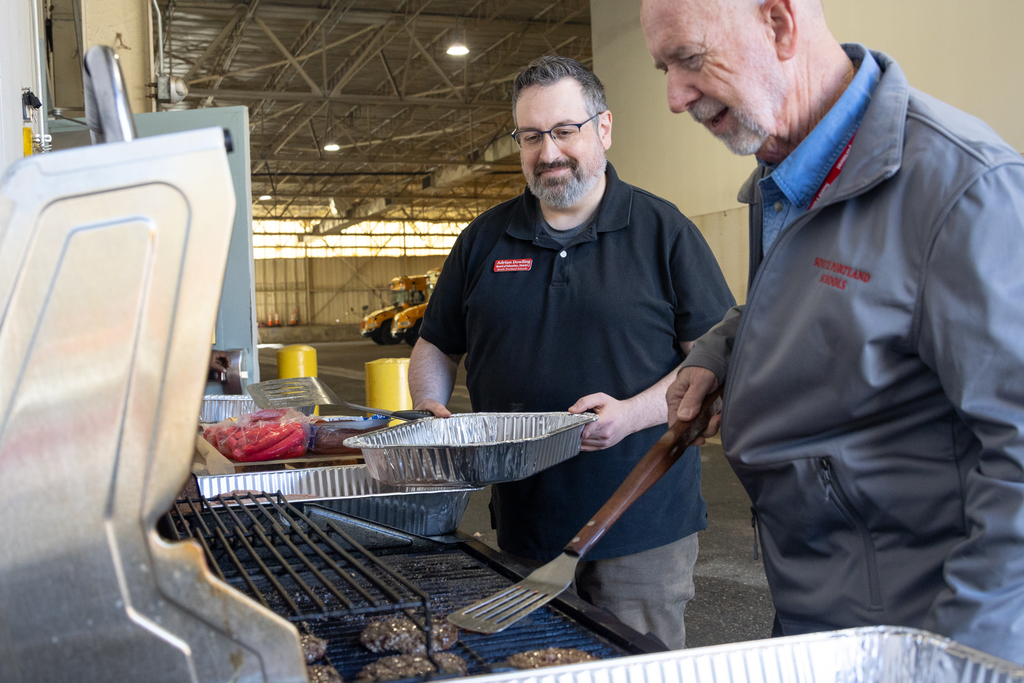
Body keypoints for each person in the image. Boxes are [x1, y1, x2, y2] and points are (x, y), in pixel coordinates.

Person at [641, 0, 1024, 663]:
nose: (674, 96)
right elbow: (801, 295)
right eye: (663, 67)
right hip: (818, 617)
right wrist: (717, 350)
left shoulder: (966, 191)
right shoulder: (784, 177)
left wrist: (952, 663)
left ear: (781, 23)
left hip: (916, 635)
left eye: (691, 59)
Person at [408, 55, 735, 650]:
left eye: (565, 131)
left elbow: (714, 363)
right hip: (524, 524)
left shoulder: (664, 233)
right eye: (531, 136)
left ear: (603, 129)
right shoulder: (484, 239)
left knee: (637, 666)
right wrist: (429, 405)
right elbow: (435, 343)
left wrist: (631, 414)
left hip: (641, 523)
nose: (548, 152)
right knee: (534, 663)